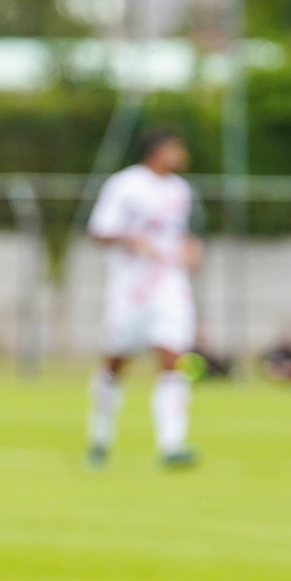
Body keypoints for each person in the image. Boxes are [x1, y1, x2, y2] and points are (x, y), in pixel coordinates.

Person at [85, 127, 204, 468]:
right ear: (158, 151)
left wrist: (191, 248)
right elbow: (99, 230)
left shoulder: (180, 190)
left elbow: (179, 233)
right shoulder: (125, 185)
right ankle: (99, 438)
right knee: (116, 361)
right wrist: (129, 239)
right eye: (175, 148)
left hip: (169, 283)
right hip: (131, 288)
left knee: (173, 358)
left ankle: (171, 444)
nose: (181, 154)